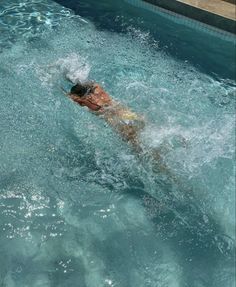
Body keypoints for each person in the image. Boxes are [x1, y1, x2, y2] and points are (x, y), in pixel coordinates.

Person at [66, 81, 145, 151]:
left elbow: (71, 97)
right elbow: (90, 83)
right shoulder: (98, 88)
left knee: (140, 148)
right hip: (127, 113)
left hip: (119, 122)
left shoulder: (85, 101)